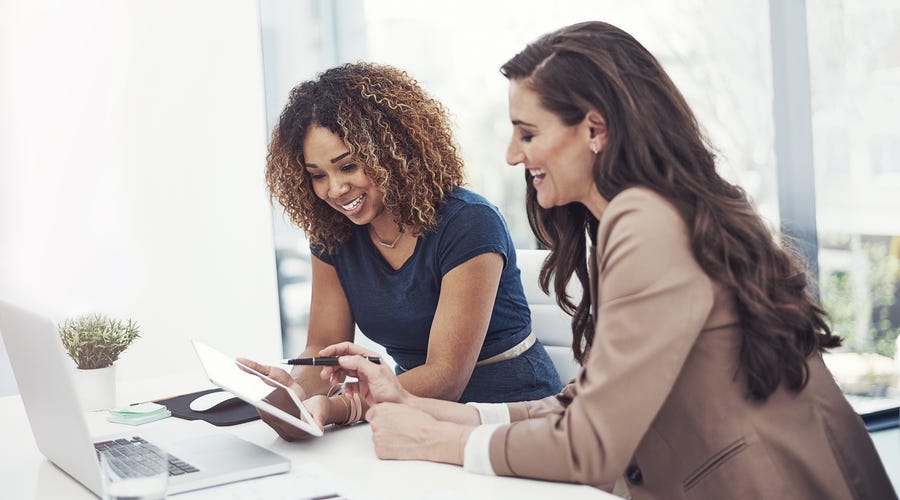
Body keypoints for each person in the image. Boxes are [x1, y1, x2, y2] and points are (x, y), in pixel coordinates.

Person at [277, 22, 895, 499]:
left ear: (593, 130)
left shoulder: (644, 224)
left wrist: (447, 440)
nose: (514, 155)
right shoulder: (641, 218)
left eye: (528, 132)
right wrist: (418, 408)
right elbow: (581, 403)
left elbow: (592, 445)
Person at [248, 62, 563, 440]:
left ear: (391, 151)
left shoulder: (469, 222)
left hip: (511, 416)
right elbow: (321, 348)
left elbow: (446, 377)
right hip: (408, 414)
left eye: (347, 166)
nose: (334, 189)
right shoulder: (333, 234)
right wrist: (295, 392)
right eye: (318, 175)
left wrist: (339, 408)